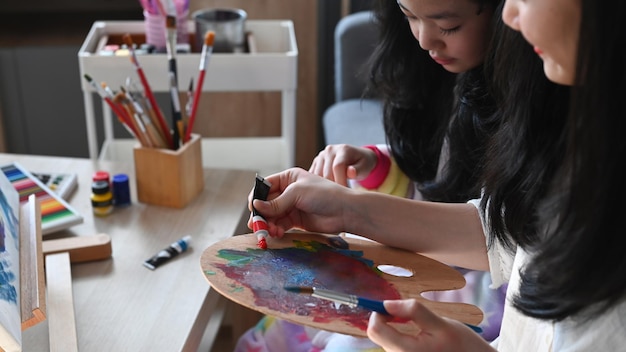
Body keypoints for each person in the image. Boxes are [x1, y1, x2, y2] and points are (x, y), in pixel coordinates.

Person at [249, 0, 626, 350]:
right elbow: (514, 233)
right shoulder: (579, 126)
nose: (508, 15)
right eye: (409, 15)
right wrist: (349, 209)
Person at [235, 0, 508, 350]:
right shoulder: (440, 75)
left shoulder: (518, 112)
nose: (424, 40)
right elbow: (439, 179)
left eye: (448, 26)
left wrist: (352, 207)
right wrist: (374, 165)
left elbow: (496, 236)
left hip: (477, 295)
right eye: (409, 17)